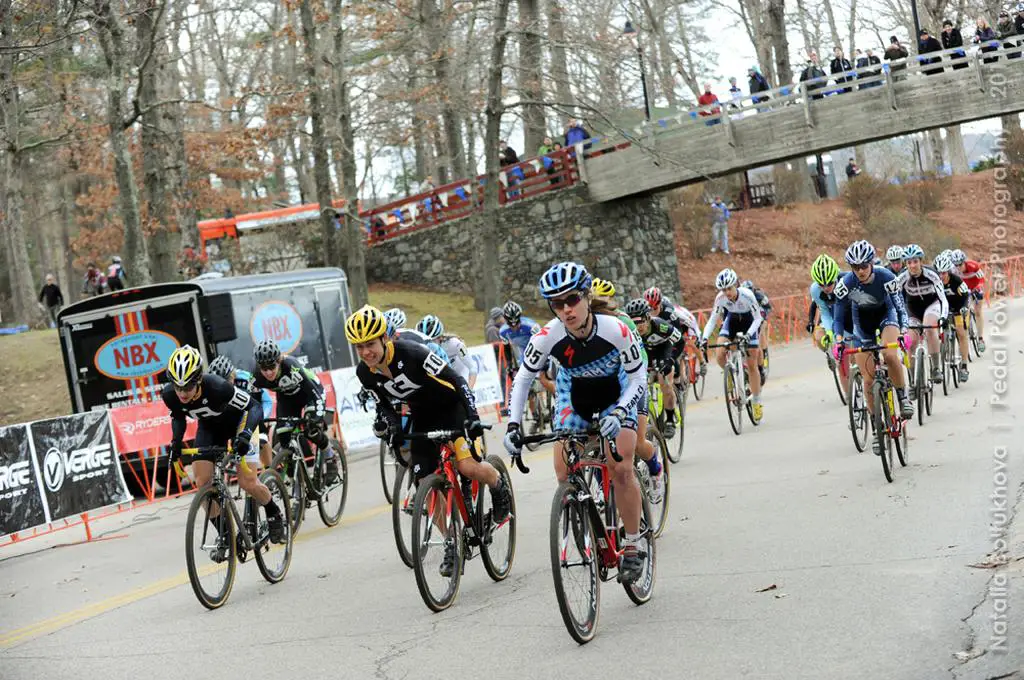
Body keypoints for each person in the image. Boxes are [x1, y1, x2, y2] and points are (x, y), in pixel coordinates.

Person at [503, 262, 647, 583]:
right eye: (557, 304)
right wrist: (513, 425)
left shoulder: (616, 329)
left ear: (586, 296)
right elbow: (524, 378)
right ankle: (582, 515)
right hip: (575, 390)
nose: (566, 310)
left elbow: (638, 376)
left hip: (617, 388)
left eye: (572, 300)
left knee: (620, 465)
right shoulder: (547, 337)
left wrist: (622, 411)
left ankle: (634, 545)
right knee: (562, 469)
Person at [347, 305, 510, 577]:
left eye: (370, 344)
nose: (365, 352)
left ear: (384, 338)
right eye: (358, 347)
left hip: (452, 408)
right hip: (423, 417)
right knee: (425, 485)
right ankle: (452, 542)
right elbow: (385, 405)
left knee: (467, 467)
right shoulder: (365, 372)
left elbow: (457, 379)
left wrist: (471, 416)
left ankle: (497, 484)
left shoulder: (412, 354)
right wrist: (391, 426)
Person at [163, 345, 285, 551]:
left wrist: (246, 435)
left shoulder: (218, 387)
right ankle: (227, 535)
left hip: (240, 423)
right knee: (203, 482)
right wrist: (176, 442)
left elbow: (253, 407)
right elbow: (178, 416)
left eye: (188, 387)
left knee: (247, 482)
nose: (182, 393)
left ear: (199, 379)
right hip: (210, 428)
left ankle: (273, 512)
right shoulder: (169, 395)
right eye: (178, 387)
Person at [832, 240, 913, 454]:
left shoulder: (886, 276)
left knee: (889, 354)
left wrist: (904, 332)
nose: (860, 271)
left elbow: (900, 307)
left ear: (871, 263)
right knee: (868, 380)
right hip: (862, 324)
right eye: (855, 267)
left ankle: (903, 397)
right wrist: (838, 340)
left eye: (863, 266)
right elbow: (838, 317)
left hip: (886, 315)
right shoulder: (846, 284)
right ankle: (877, 427)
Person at [591, 278, 663, 503]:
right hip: (602, 386)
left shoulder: (624, 321)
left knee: (638, 443)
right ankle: (604, 488)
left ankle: (655, 469)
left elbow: (640, 358)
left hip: (630, 382)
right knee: (593, 441)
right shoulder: (583, 325)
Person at [251, 339, 341, 482]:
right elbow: (254, 405)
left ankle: (330, 457)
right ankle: (298, 479)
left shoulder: (291, 366)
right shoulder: (256, 375)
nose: (268, 372)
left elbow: (314, 394)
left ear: (279, 361)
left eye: (272, 366)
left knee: (311, 429)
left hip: (310, 393)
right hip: (287, 399)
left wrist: (316, 419)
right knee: (283, 435)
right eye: (264, 368)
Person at [699, 268, 765, 421]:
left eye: (729, 288)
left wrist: (749, 335)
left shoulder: (747, 296)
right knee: (720, 354)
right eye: (723, 289)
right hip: (733, 321)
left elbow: (758, 319)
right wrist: (704, 338)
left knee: (752, 363)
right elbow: (713, 320)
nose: (727, 292)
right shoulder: (720, 298)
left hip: (750, 322)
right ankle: (731, 374)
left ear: (735, 285)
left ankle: (756, 401)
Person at [626, 297, 684, 440]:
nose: (637, 327)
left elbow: (680, 341)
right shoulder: (629, 332)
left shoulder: (660, 326)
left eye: (640, 322)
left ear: (648, 317)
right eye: (634, 323)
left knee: (665, 382)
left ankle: (670, 419)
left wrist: (671, 359)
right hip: (645, 352)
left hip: (663, 350)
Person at [208, 355, 276, 469]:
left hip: (253, 409)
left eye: (225, 381)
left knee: (261, 437)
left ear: (232, 375)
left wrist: (262, 418)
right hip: (234, 414)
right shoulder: (211, 386)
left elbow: (267, 401)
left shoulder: (246, 378)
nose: (222, 386)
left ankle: (270, 471)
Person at [896, 244, 948, 384]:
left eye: (915, 261)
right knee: (911, 342)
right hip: (912, 309)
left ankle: (936, 368)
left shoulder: (931, 274)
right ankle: (913, 381)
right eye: (909, 262)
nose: (912, 265)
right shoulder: (902, 277)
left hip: (932, 305)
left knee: (929, 327)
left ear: (921, 261)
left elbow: (943, 298)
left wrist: (943, 317)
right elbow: (895, 299)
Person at [807, 254, 853, 395]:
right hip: (834, 318)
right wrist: (829, 332)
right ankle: (850, 397)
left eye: (829, 284)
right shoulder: (815, 290)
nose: (826, 288)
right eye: (822, 285)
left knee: (857, 355)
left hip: (851, 316)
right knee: (839, 356)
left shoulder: (847, 281)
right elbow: (825, 313)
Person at [934, 252, 971, 383]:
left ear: (948, 272)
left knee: (961, 333)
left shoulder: (956, 280)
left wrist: (965, 308)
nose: (941, 276)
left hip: (958, 307)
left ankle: (964, 367)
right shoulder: (934, 281)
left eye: (944, 273)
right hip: (942, 309)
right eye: (939, 273)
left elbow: (966, 296)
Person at [415, 314, 478, 389]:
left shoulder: (455, 344)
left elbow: (472, 367)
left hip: (463, 379)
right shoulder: (422, 346)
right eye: (426, 341)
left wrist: (470, 389)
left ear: (440, 337)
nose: (429, 345)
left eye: (432, 341)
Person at [953, 248, 986, 352]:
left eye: (960, 264)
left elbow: (982, 279)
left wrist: (978, 287)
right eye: (956, 265)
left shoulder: (973, 265)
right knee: (963, 311)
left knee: (978, 312)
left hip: (976, 287)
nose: (958, 267)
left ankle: (980, 339)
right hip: (965, 290)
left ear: (964, 262)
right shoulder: (953, 270)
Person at [740, 279, 773, 384]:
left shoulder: (759, 296)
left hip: (760, 315)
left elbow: (768, 307)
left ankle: (762, 354)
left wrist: (762, 317)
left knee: (760, 332)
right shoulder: (741, 297)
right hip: (748, 318)